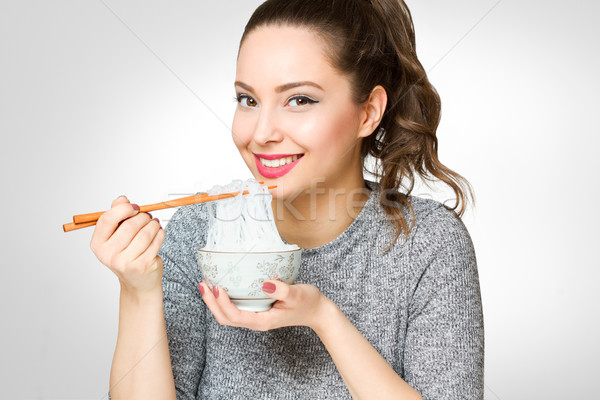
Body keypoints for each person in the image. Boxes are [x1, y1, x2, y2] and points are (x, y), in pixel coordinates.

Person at [90, 0, 484, 398]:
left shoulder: (427, 242)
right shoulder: (200, 229)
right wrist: (138, 292)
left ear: (368, 112)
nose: (261, 133)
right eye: (248, 100)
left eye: (299, 100)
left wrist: (324, 318)